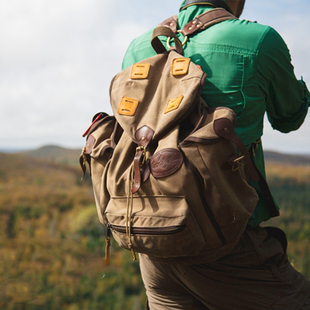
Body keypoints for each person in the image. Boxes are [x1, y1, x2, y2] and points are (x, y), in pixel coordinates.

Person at [121, 0, 310, 309]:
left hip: (153, 240)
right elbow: (289, 119)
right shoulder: (259, 40)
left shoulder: (138, 46)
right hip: (226, 240)